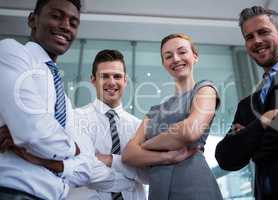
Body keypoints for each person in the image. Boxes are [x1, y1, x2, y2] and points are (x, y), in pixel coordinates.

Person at [122, 33, 223, 200]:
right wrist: (167, 156)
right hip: (158, 187)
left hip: (193, 181)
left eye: (182, 52)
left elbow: (189, 131)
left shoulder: (205, 90)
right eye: (168, 56)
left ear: (195, 56)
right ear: (164, 64)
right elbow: (128, 155)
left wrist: (145, 147)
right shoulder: (155, 110)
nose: (175, 59)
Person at [0, 0, 84, 199]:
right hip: (13, 192)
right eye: (56, 16)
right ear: (32, 20)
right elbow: (33, 131)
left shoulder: (64, 99)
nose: (65, 26)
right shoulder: (11, 52)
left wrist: (36, 147)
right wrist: (73, 147)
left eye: (73, 23)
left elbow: (85, 162)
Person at [215, 6, 278, 200]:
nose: (257, 41)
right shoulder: (247, 104)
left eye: (263, 32)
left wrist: (248, 139)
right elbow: (226, 157)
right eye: (249, 37)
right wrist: (264, 121)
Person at [67, 49, 149, 200]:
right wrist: (129, 176)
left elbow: (148, 174)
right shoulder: (75, 118)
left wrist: (111, 160)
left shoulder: (139, 127)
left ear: (125, 80)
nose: (111, 82)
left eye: (117, 76)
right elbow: (84, 170)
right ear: (93, 80)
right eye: (104, 76)